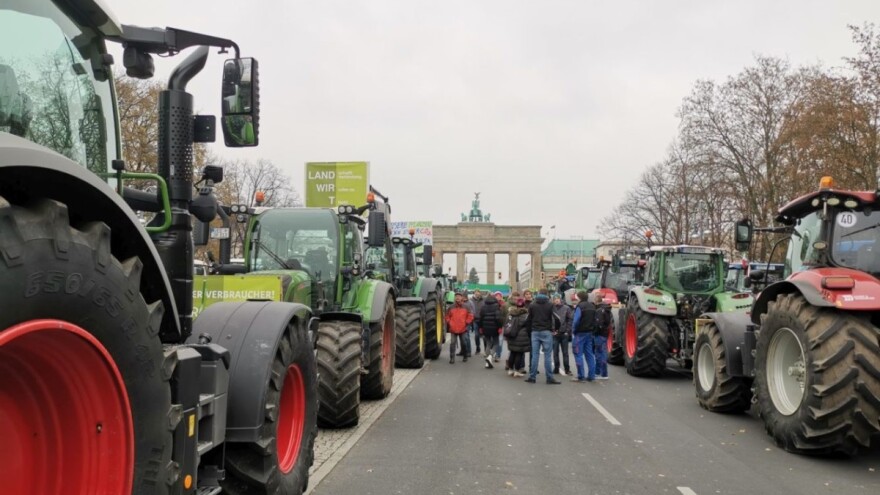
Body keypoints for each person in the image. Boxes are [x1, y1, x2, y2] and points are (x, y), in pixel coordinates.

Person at [524, 288, 562, 384]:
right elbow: (557, 318)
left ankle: (532, 377)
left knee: (535, 355)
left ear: (538, 294)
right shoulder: (550, 304)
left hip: (535, 331)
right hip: (546, 331)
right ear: (547, 294)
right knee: (547, 356)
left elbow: (527, 319)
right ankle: (549, 378)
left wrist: (529, 331)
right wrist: (556, 329)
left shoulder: (532, 304)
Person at [571, 291, 597, 382]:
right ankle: (591, 376)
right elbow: (595, 320)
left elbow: (576, 320)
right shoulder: (592, 306)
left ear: (579, 298)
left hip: (580, 333)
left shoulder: (580, 306)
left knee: (578, 354)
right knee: (590, 355)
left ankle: (581, 376)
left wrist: (573, 330)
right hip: (589, 333)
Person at [504, 297, 530, 377]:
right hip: (522, 336)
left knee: (512, 352)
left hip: (512, 335)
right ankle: (517, 371)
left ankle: (510, 369)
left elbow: (506, 323)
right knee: (519, 354)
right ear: (524, 305)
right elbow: (529, 326)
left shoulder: (511, 313)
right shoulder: (526, 315)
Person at [445, 292, 474, 364]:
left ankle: (465, 356)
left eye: (459, 296)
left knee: (464, 343)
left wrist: (466, 322)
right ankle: (452, 358)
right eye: (456, 296)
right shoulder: (451, 307)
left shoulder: (466, 306)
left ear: (462, 298)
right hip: (453, 329)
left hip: (463, 328)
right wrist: (450, 322)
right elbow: (447, 316)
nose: (457, 297)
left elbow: (470, 315)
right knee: (452, 343)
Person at [478, 291, 503, 369]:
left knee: (488, 343)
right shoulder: (497, 306)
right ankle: (490, 356)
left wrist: (480, 327)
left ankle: (487, 362)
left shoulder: (483, 307)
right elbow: (498, 318)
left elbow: (480, 318)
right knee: (496, 343)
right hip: (495, 328)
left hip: (485, 328)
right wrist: (500, 327)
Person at [552, 295, 573, 375]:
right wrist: (552, 330)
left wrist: (567, 331)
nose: (556, 300)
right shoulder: (551, 308)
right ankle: (556, 368)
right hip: (555, 333)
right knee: (555, 352)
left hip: (564, 333)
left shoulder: (566, 308)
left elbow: (570, 320)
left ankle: (567, 369)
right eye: (555, 299)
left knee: (565, 353)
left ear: (560, 299)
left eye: (557, 299)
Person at [593, 292, 612, 380]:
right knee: (603, 353)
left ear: (596, 300)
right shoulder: (607, 309)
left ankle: (599, 373)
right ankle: (604, 373)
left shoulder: (599, 310)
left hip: (599, 334)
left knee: (599, 354)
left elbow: (598, 324)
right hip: (604, 333)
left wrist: (594, 332)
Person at [492, 291, 507, 362]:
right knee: (494, 340)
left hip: (502, 325)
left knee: (500, 340)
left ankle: (498, 355)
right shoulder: (492, 304)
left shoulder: (504, 305)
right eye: (496, 295)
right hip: (493, 325)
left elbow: (505, 315)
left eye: (499, 295)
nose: (498, 297)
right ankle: (493, 352)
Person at [471, 289, 486, 354]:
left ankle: (486, 349)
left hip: (483, 320)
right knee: (476, 335)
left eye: (478, 293)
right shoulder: (471, 300)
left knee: (484, 336)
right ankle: (478, 348)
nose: (477, 294)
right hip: (475, 320)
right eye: (476, 293)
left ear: (480, 293)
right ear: (474, 294)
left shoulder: (484, 300)